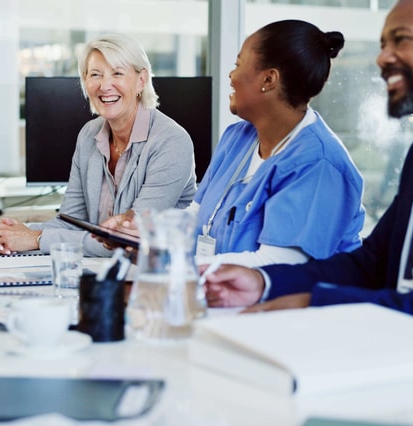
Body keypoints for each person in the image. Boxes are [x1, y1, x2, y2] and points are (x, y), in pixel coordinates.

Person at [203, 0, 413, 351]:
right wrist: (264, 282)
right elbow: (373, 263)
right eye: (383, 45)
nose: (382, 58)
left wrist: (320, 305)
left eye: (402, 40)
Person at [102, 20, 365, 269]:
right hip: (226, 298)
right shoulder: (237, 138)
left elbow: (277, 264)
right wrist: (141, 232)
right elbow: (196, 217)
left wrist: (173, 263)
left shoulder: (317, 164)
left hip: (297, 310)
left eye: (238, 64)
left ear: (268, 80)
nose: (231, 75)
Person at [0, 33, 197, 257]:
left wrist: (36, 238)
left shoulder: (171, 142)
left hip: (157, 278)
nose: (104, 85)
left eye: (117, 73)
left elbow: (129, 240)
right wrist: (11, 234)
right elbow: (71, 222)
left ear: (141, 80)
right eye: (95, 75)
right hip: (103, 273)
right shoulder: (89, 135)